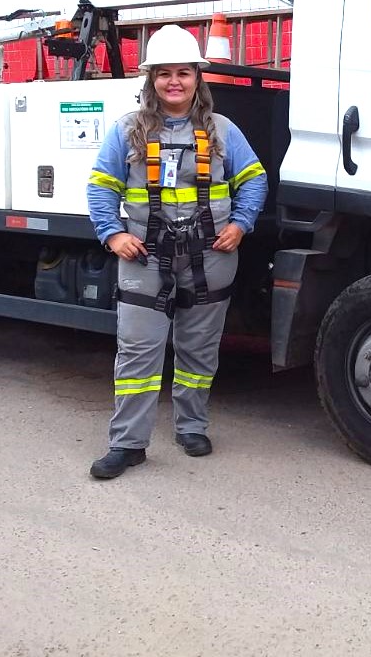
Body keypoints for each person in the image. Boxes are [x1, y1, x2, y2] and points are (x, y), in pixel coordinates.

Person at [86, 24, 268, 480]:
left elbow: (254, 179)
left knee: (199, 350)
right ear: (150, 80)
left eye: (183, 73)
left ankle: (191, 428)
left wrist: (240, 225)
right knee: (137, 352)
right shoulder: (126, 131)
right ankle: (127, 444)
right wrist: (112, 235)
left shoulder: (223, 131)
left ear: (197, 79)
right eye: (164, 73)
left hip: (212, 256)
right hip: (143, 257)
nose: (174, 81)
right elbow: (100, 187)